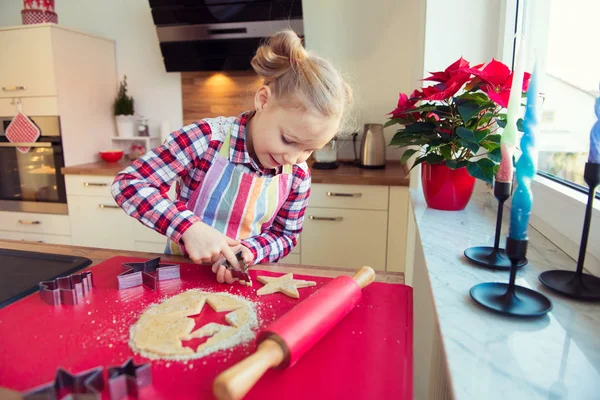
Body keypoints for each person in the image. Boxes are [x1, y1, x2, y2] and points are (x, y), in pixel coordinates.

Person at [111, 30, 353, 284]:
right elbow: (129, 183)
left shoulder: (298, 173)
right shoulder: (205, 140)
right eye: (289, 140)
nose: (293, 158)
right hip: (181, 274)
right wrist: (187, 228)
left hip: (245, 279)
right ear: (263, 101)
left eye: (309, 149)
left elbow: (286, 234)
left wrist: (247, 252)